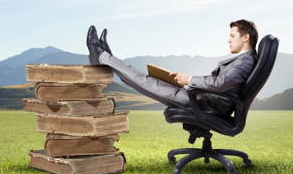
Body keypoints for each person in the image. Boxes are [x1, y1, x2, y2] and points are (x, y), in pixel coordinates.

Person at [86, 19, 258, 115]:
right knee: (148, 79)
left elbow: (221, 83)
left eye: (232, 35)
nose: (228, 39)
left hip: (205, 103)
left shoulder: (246, 61)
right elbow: (222, 83)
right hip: (203, 97)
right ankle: (107, 57)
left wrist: (189, 80)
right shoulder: (245, 59)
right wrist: (186, 82)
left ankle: (102, 55)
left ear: (245, 38)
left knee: (144, 81)